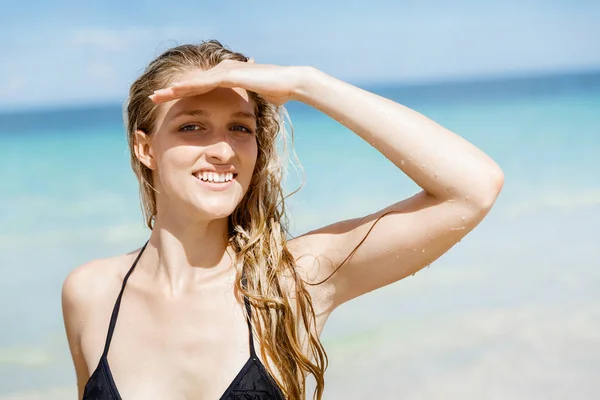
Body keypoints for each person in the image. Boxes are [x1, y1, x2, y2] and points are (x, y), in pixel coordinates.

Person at [61, 40, 504, 400]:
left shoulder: (291, 281)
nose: (222, 149)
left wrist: (304, 83)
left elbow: (473, 188)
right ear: (145, 148)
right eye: (192, 127)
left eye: (240, 127)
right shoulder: (91, 293)